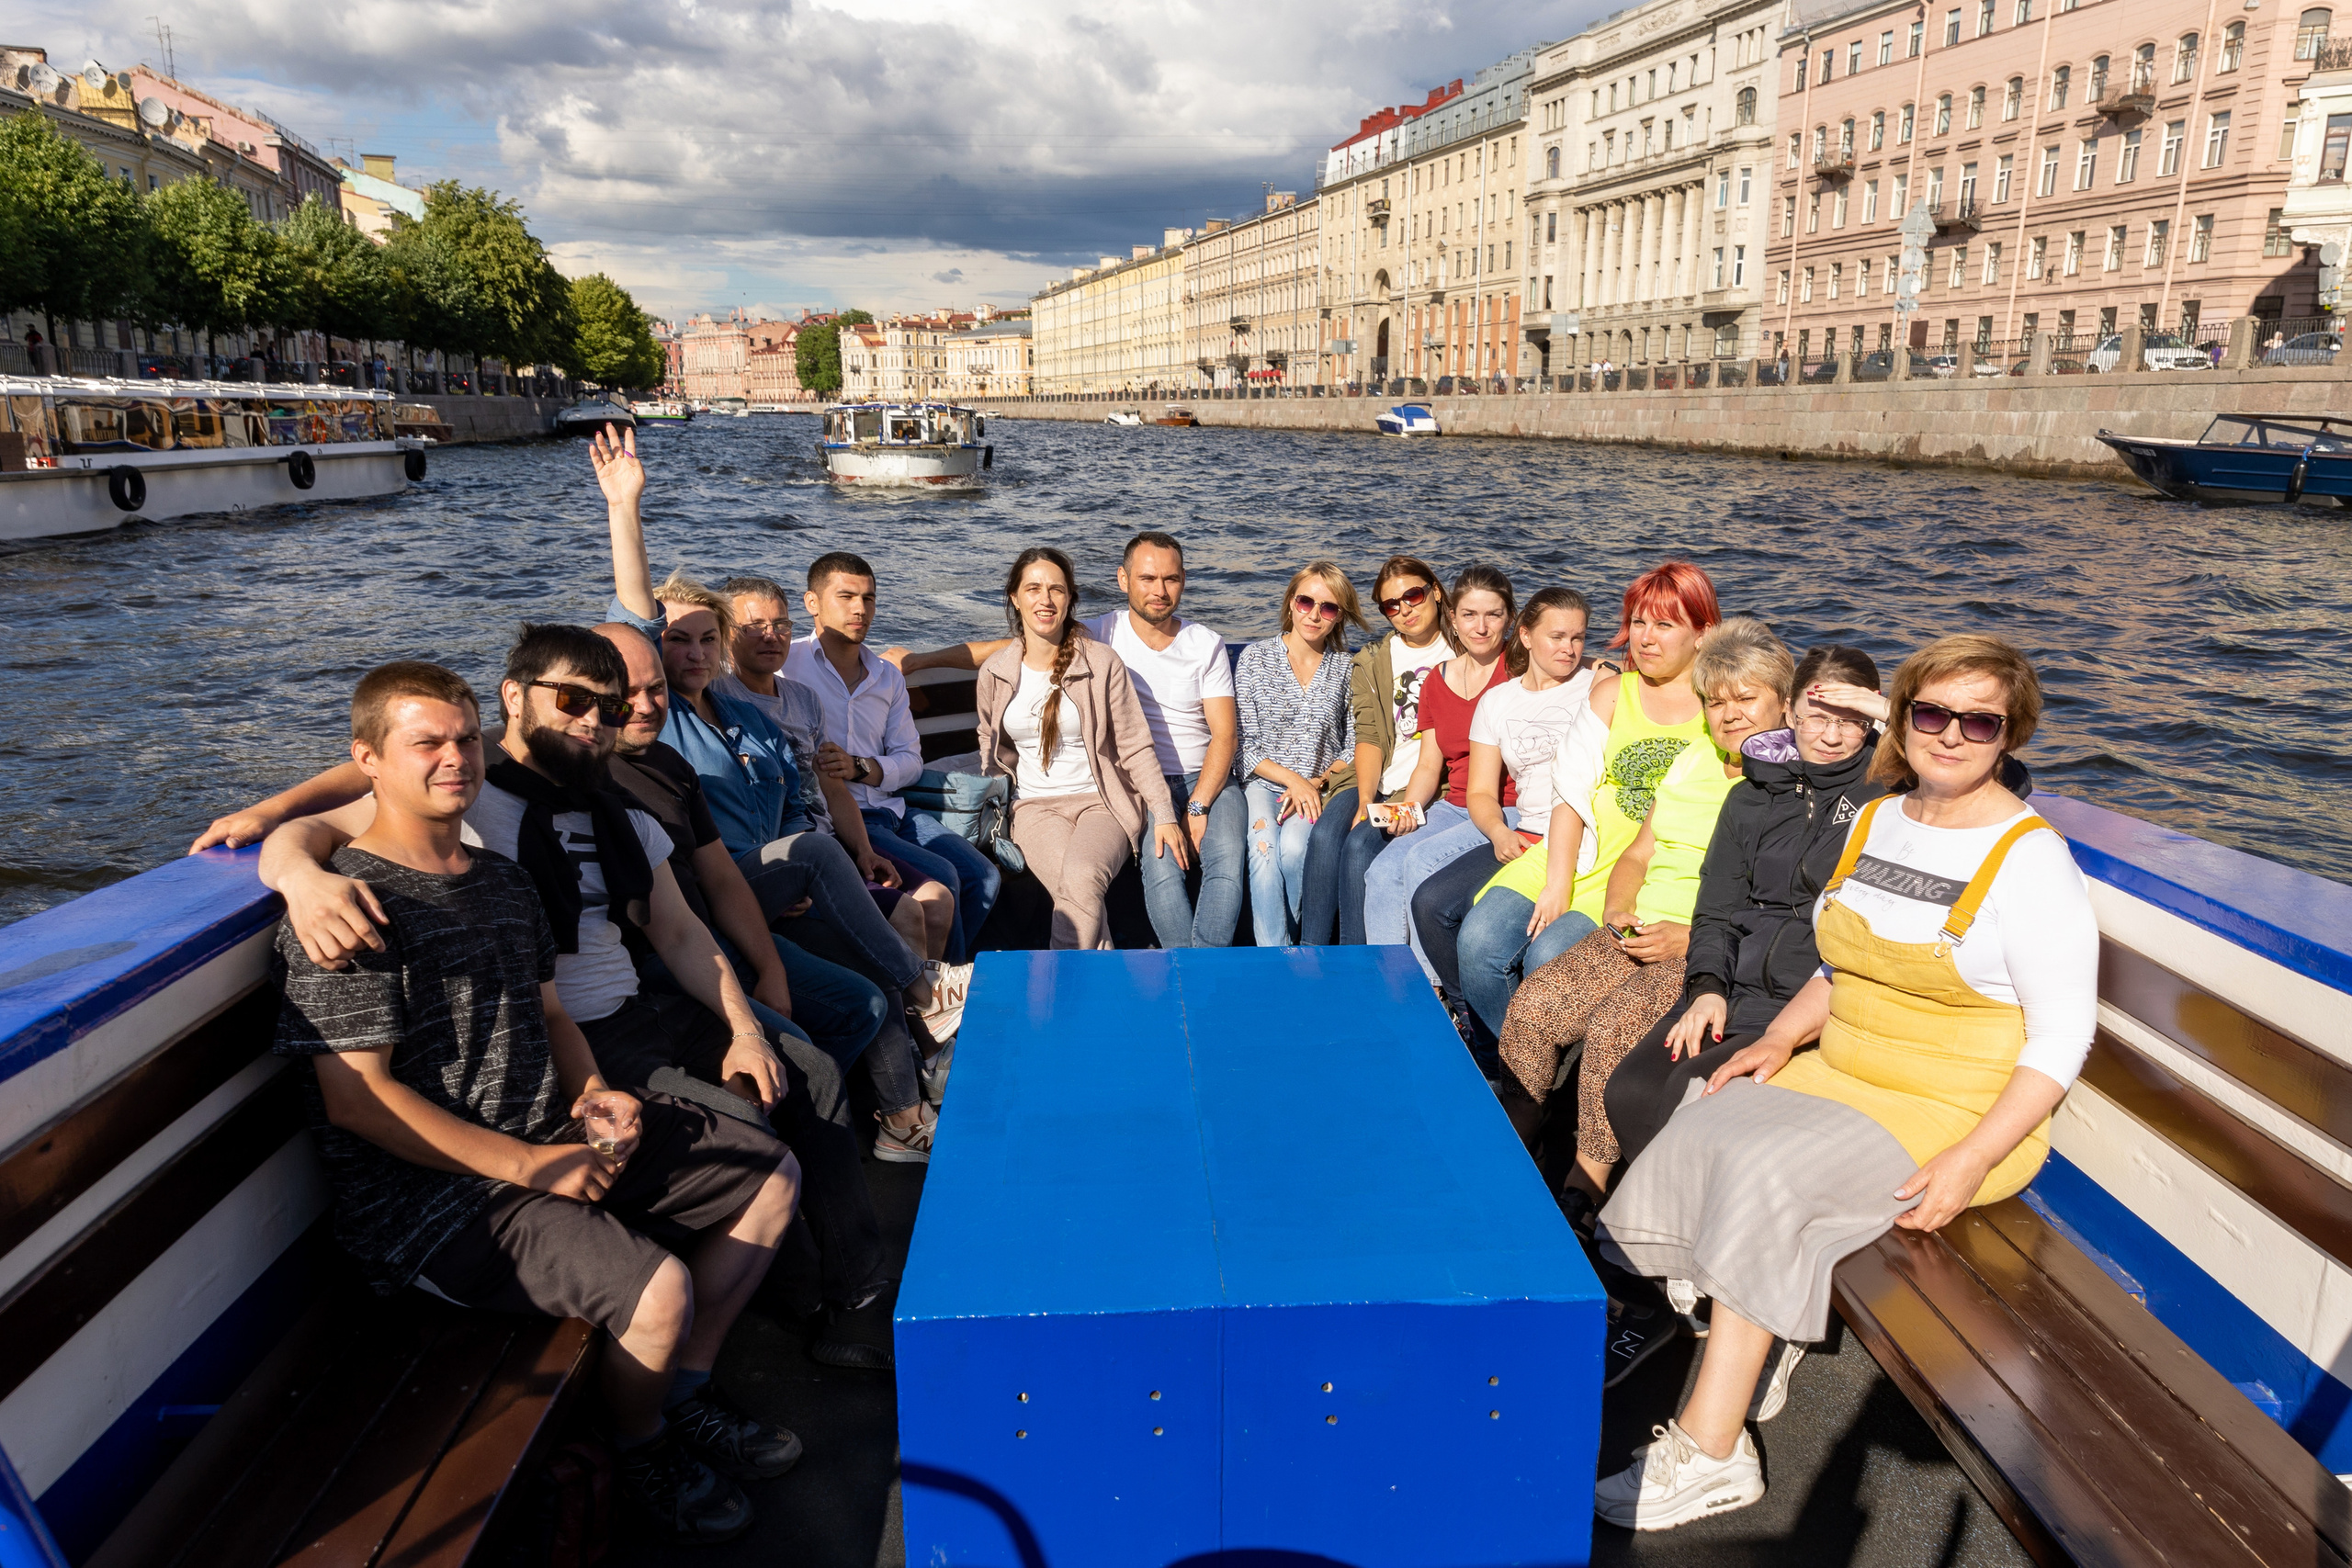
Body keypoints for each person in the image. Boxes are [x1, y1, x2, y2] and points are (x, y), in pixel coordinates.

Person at [272, 660, 801, 1544]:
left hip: (546, 1138)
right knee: (659, 1289)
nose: (455, 758)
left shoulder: (503, 882)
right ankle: (639, 1442)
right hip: (435, 1203)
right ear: (367, 759)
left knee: (769, 1173)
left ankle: (682, 1388)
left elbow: (552, 1013)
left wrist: (594, 1094)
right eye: (427, 743)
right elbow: (359, 1100)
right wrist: (531, 1165)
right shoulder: (348, 910)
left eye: (465, 739)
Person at [1591, 635, 2096, 1531]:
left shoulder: (2029, 859)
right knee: (1706, 1110)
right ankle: (1759, 1322)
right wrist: (1780, 1040)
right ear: (1904, 719)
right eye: (1931, 713)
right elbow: (1837, 964)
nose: (1950, 735)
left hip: (1952, 1106)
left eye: (1978, 722)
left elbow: (2062, 1036)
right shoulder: (1878, 820)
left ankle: (1714, 1454)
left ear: (2009, 734)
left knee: (1767, 1170)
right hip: (1845, 1064)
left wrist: (1974, 1158)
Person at [1498, 618, 1793, 1216]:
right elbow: (1637, 854)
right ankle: (1513, 1153)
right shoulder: (1693, 757)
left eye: (1746, 698)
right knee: (1534, 1004)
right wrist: (1618, 908)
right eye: (1716, 701)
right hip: (1637, 927)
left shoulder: (1791, 790)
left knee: (1614, 1029)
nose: (1730, 714)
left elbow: (1778, 907)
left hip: (1705, 946)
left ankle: (1587, 1189)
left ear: (1784, 703)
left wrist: (1689, 938)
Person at [1598, 647, 1889, 1177]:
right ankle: (1656, 1211)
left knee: (1690, 1097)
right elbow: (1716, 908)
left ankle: (1677, 1218)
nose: (1830, 736)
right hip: (1735, 984)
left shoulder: (1893, 794)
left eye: (1851, 721)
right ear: (1790, 713)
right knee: (1630, 1090)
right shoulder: (1749, 798)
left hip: (1810, 996)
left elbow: (1995, 775)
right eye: (1817, 717)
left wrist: (1889, 713)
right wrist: (1707, 987)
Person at [716, 569, 960, 987]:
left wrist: (864, 851)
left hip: (837, 836)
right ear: (726, 633)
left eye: (780, 625)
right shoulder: (717, 698)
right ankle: (923, 1004)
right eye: (754, 626)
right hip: (786, 853)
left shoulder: (804, 699)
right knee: (908, 912)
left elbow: (831, 785)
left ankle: (933, 1005)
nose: (771, 636)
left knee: (938, 897)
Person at [786, 552, 1003, 962]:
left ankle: (941, 973)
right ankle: (941, 986)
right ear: (812, 602)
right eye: (846, 597)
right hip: (842, 818)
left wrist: (861, 767)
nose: (860, 609)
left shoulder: (886, 676)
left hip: (894, 810)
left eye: (868, 598)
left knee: (984, 877)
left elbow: (910, 760)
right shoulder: (787, 665)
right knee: (944, 877)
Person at [1408, 587, 1600, 1047]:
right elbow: (1479, 790)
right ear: (1526, 636)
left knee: (1523, 942)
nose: (1569, 648)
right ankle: (1474, 1021)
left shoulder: (1598, 688)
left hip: (1581, 836)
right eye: (1557, 636)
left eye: (1577, 638)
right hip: (1524, 833)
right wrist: (1497, 833)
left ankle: (1517, 1047)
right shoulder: (1498, 701)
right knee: (1431, 903)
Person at [973, 547, 1182, 950]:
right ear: (1015, 598)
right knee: (1077, 892)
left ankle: (1064, 981)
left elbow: (1135, 746)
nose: (1046, 600)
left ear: (1070, 598)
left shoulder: (1101, 663)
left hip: (1102, 803)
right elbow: (989, 741)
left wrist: (1164, 813)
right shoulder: (995, 672)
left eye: (1056, 589)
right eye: (1033, 589)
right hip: (1034, 809)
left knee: (1082, 878)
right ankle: (1098, 976)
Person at [1357, 566, 1520, 976]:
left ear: (1510, 619)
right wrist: (1409, 809)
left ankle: (1431, 988)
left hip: (1509, 807)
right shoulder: (1437, 680)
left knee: (1421, 861)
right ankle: (1389, 981)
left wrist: (1603, 666)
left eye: (1493, 615)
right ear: (1453, 617)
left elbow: (1574, 659)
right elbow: (1430, 763)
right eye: (1469, 615)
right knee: (1381, 873)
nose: (1480, 627)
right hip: (1456, 804)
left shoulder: (1523, 671)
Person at [1236, 563, 1364, 946]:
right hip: (1264, 784)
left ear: (1339, 616)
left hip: (1319, 786)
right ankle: (1277, 956)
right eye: (1306, 601)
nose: (1314, 614)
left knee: (1294, 851)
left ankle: (1288, 941)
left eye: (1328, 607)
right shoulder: (1255, 659)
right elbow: (1244, 745)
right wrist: (1293, 781)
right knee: (1263, 853)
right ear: (1291, 602)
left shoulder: (1345, 667)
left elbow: (1354, 744)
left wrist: (1316, 782)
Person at [1331, 557, 1454, 945]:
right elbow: (1368, 735)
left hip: (1432, 786)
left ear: (1435, 592)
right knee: (1324, 839)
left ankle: (1357, 959)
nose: (1405, 610)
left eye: (1413, 595)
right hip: (1378, 777)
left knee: (1359, 846)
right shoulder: (1373, 660)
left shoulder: (1465, 650)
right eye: (1391, 605)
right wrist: (1365, 800)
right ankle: (1312, 955)